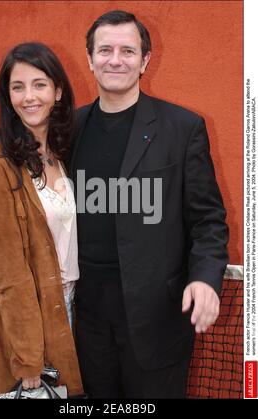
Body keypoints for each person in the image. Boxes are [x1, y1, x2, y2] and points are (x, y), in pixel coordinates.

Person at [70, 10, 229, 398]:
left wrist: (205, 278)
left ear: (144, 61)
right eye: (104, 49)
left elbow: (208, 220)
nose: (115, 59)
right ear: (89, 59)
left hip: (157, 319)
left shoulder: (183, 128)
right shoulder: (67, 129)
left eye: (128, 50)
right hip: (86, 320)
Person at [0, 42, 83, 396]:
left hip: (80, 308)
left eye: (39, 84)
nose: (28, 97)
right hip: (38, 317)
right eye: (17, 87)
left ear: (58, 91)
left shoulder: (63, 153)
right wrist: (28, 357)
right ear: (7, 96)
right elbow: (10, 273)